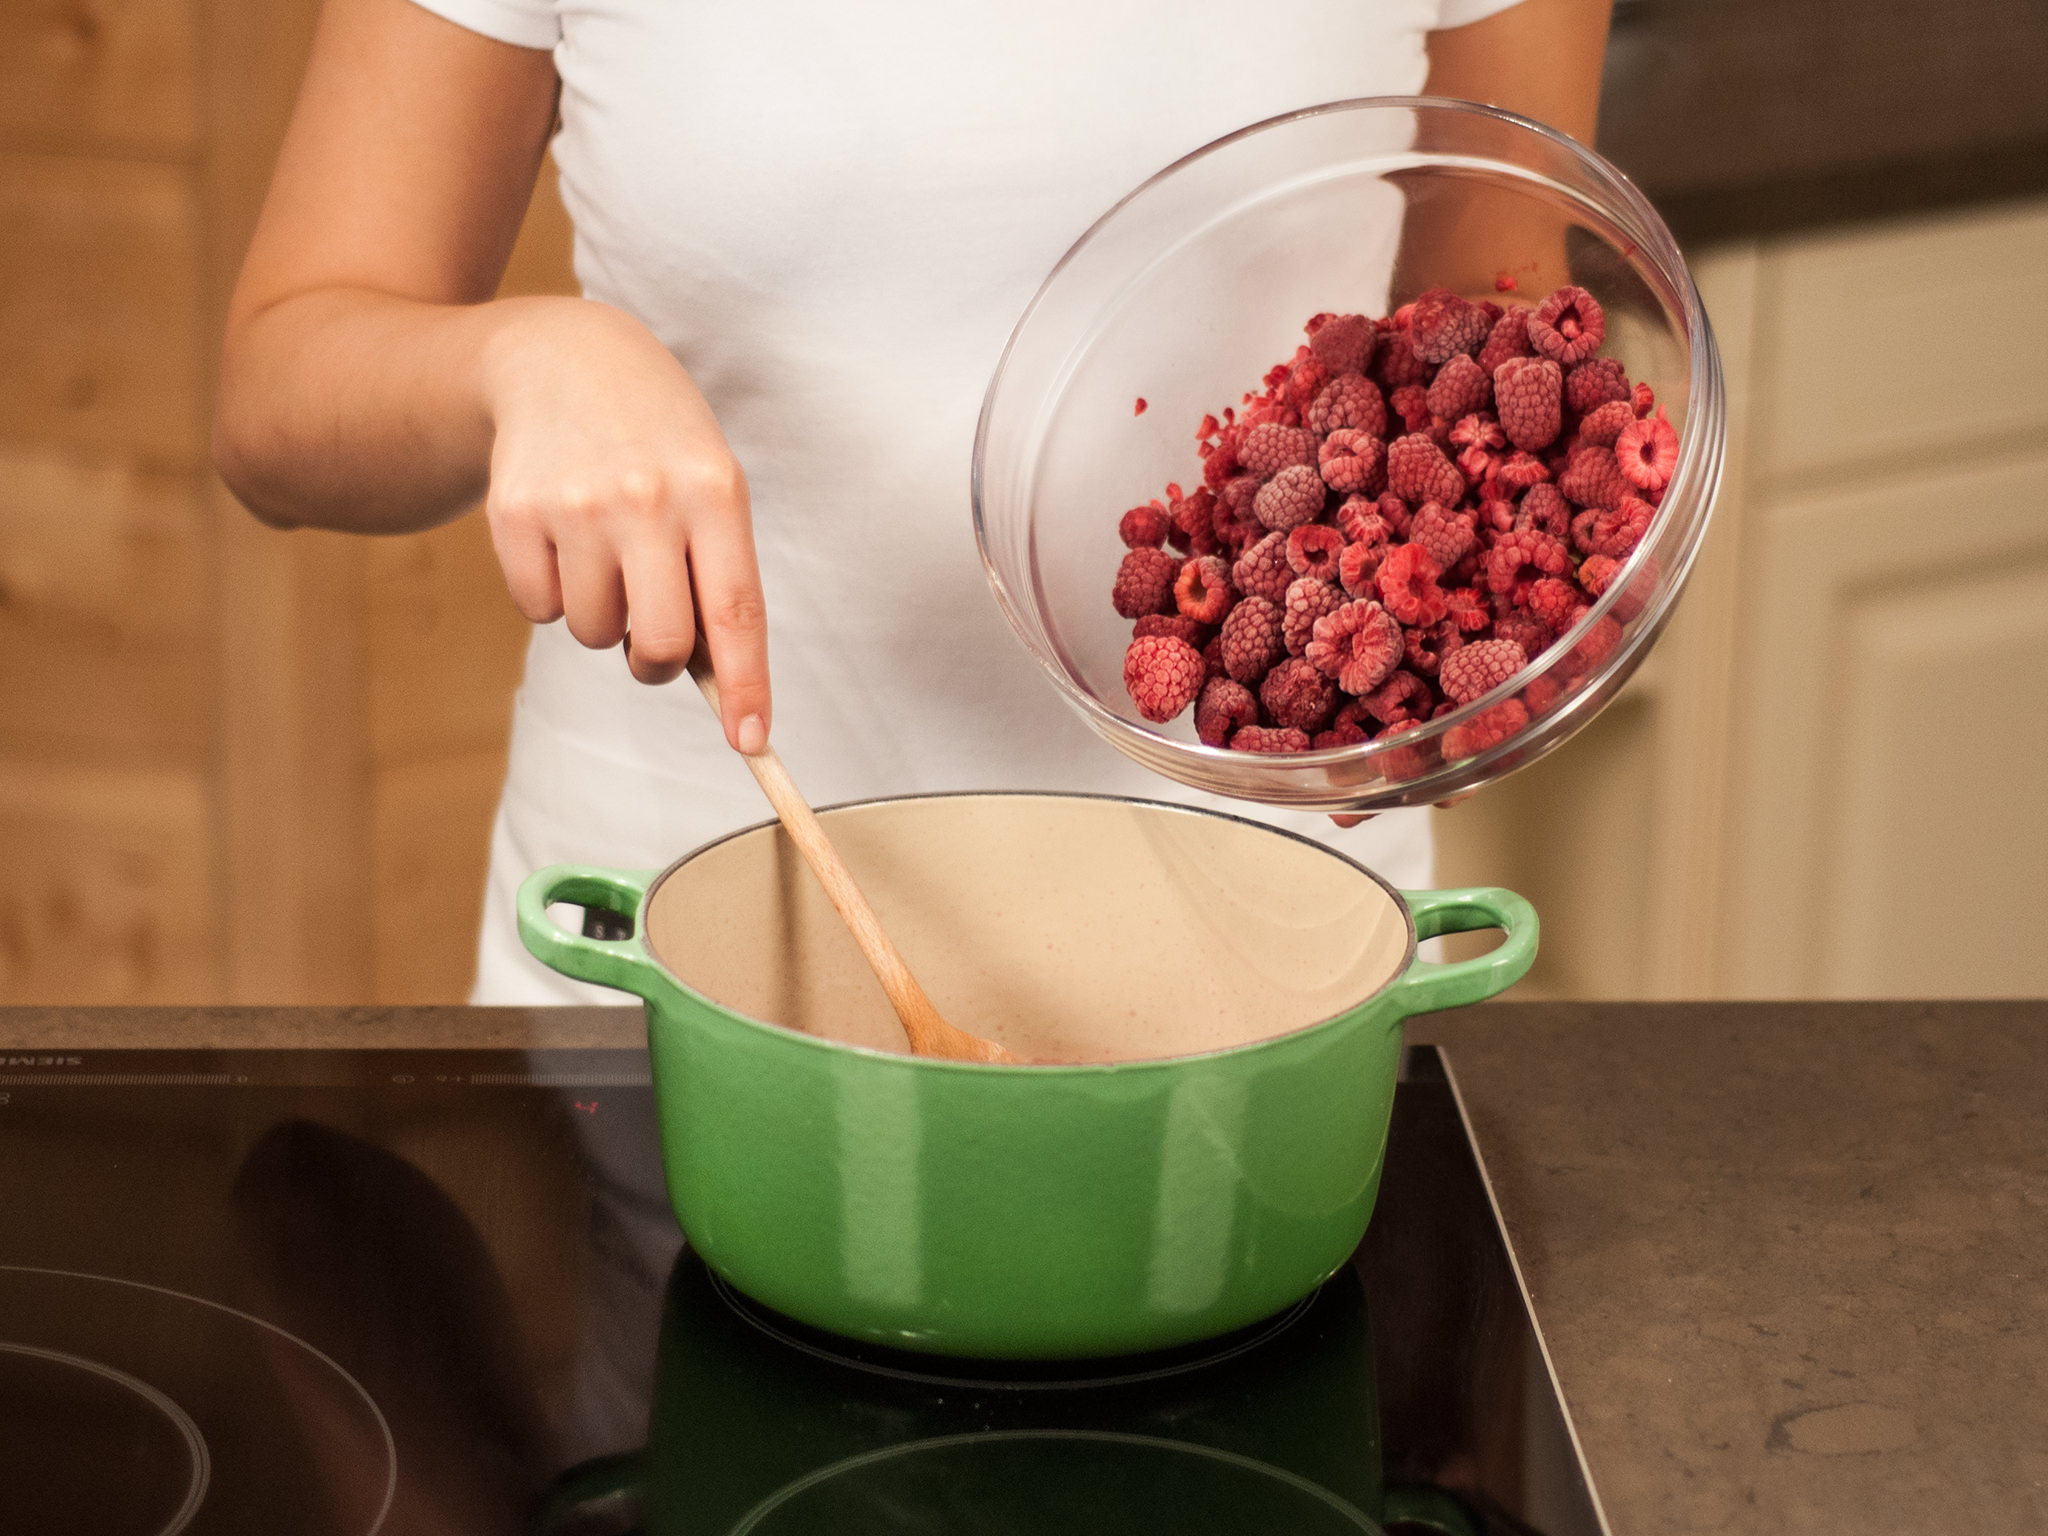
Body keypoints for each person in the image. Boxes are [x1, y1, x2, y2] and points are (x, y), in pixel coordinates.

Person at [215, 0, 1613, 1004]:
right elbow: (278, 396)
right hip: (681, 972)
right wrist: (522, 360)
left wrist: (1490, 609)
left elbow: (1485, 327)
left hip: (1282, 969)